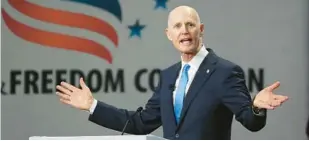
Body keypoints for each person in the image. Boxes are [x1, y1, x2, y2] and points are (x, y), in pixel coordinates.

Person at [56, 5, 288, 140]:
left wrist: (256, 106)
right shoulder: (169, 76)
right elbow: (140, 123)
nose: (184, 31)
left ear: (201, 30)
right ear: (169, 34)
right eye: (177, 26)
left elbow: (251, 122)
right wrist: (92, 105)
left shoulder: (224, 72)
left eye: (190, 25)